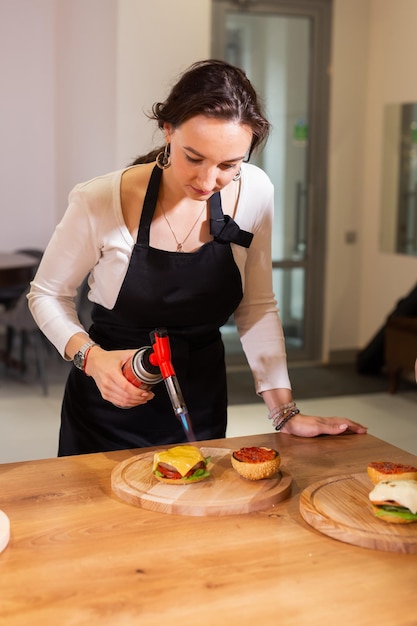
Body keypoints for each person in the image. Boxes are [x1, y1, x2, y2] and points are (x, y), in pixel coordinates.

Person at [28, 59, 367, 456]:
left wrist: (284, 413)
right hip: (111, 399)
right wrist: (92, 359)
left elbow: (256, 306)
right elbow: (46, 295)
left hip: (202, 398)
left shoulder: (255, 192)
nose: (208, 182)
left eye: (228, 165)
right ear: (167, 130)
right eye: (194, 157)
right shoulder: (102, 199)